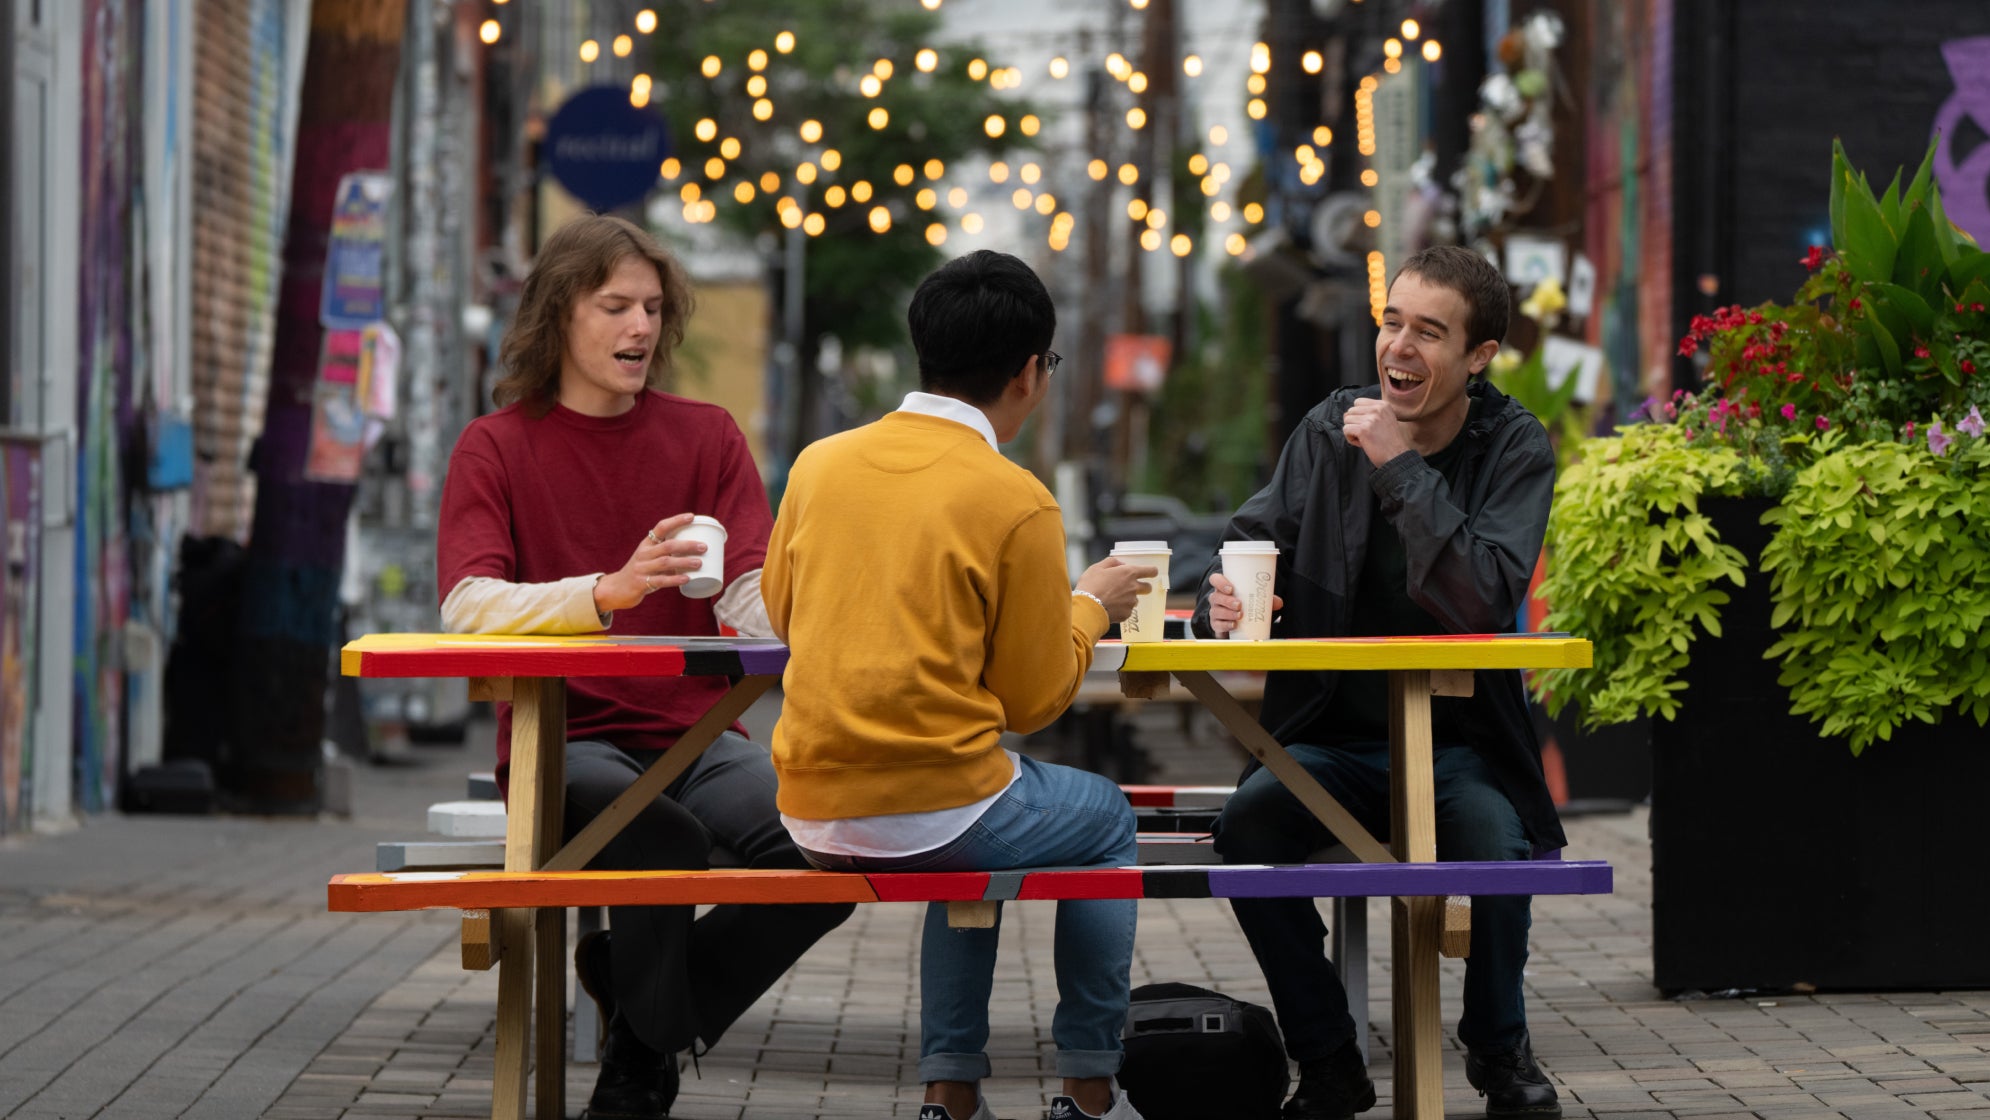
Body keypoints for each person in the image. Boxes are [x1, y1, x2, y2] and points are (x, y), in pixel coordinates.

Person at [435, 214, 852, 1120]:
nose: (640, 328)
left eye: (654, 308)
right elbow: (467, 605)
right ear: (558, 315)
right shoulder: (496, 445)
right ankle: (639, 1073)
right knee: (656, 835)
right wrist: (607, 592)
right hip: (565, 735)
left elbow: (746, 594)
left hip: (698, 731)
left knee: (829, 847)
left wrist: (830, 598)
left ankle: (640, 1010)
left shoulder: (705, 436)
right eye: (615, 305)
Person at [762, 249, 1157, 1120]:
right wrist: (1089, 604)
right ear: (1027, 373)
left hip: (808, 805)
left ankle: (952, 1088)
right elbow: (1033, 699)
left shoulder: (819, 466)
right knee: (1104, 820)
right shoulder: (1014, 499)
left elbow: (786, 619)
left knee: (970, 813)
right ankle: (1090, 1085)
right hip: (933, 809)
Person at [1195, 245, 1565, 1120]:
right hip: (1330, 737)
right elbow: (1255, 534)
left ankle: (1498, 1049)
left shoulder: (1514, 446)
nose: (1399, 347)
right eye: (1391, 322)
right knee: (1245, 826)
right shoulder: (1328, 431)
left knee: (1496, 848)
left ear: (1478, 356)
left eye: (1428, 332)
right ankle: (1328, 1057)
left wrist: (1399, 464)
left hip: (1460, 747)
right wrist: (1231, 587)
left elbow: (1484, 596)